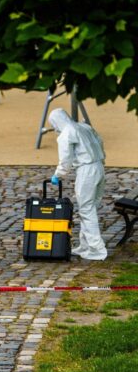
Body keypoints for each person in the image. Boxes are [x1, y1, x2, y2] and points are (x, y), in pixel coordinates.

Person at [48, 108, 107, 260]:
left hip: (86, 170)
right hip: (99, 166)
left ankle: (97, 249)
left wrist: (58, 175)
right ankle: (85, 245)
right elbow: (100, 142)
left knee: (86, 209)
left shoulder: (66, 133)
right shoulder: (84, 126)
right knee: (90, 207)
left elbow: (65, 160)